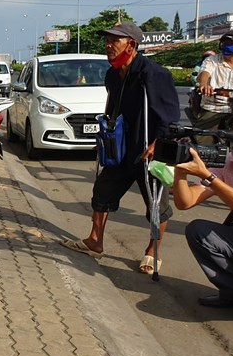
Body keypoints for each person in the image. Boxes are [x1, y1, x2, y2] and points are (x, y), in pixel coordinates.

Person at [61, 22, 179, 274]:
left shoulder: (154, 74)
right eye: (108, 40)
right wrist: (104, 136)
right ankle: (95, 241)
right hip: (121, 148)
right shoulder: (112, 75)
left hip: (149, 149)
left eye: (116, 40)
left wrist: (157, 144)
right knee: (102, 192)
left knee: (156, 204)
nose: (109, 45)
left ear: (132, 45)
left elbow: (169, 118)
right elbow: (112, 106)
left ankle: (151, 252)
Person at [174, 112, 233, 307]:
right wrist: (181, 172)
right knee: (199, 231)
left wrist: (208, 176)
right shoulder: (230, 162)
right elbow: (185, 202)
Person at [194, 30, 233, 133]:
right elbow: (204, 74)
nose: (227, 46)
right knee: (201, 143)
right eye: (225, 43)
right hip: (214, 109)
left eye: (232, 44)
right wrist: (204, 85)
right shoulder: (211, 60)